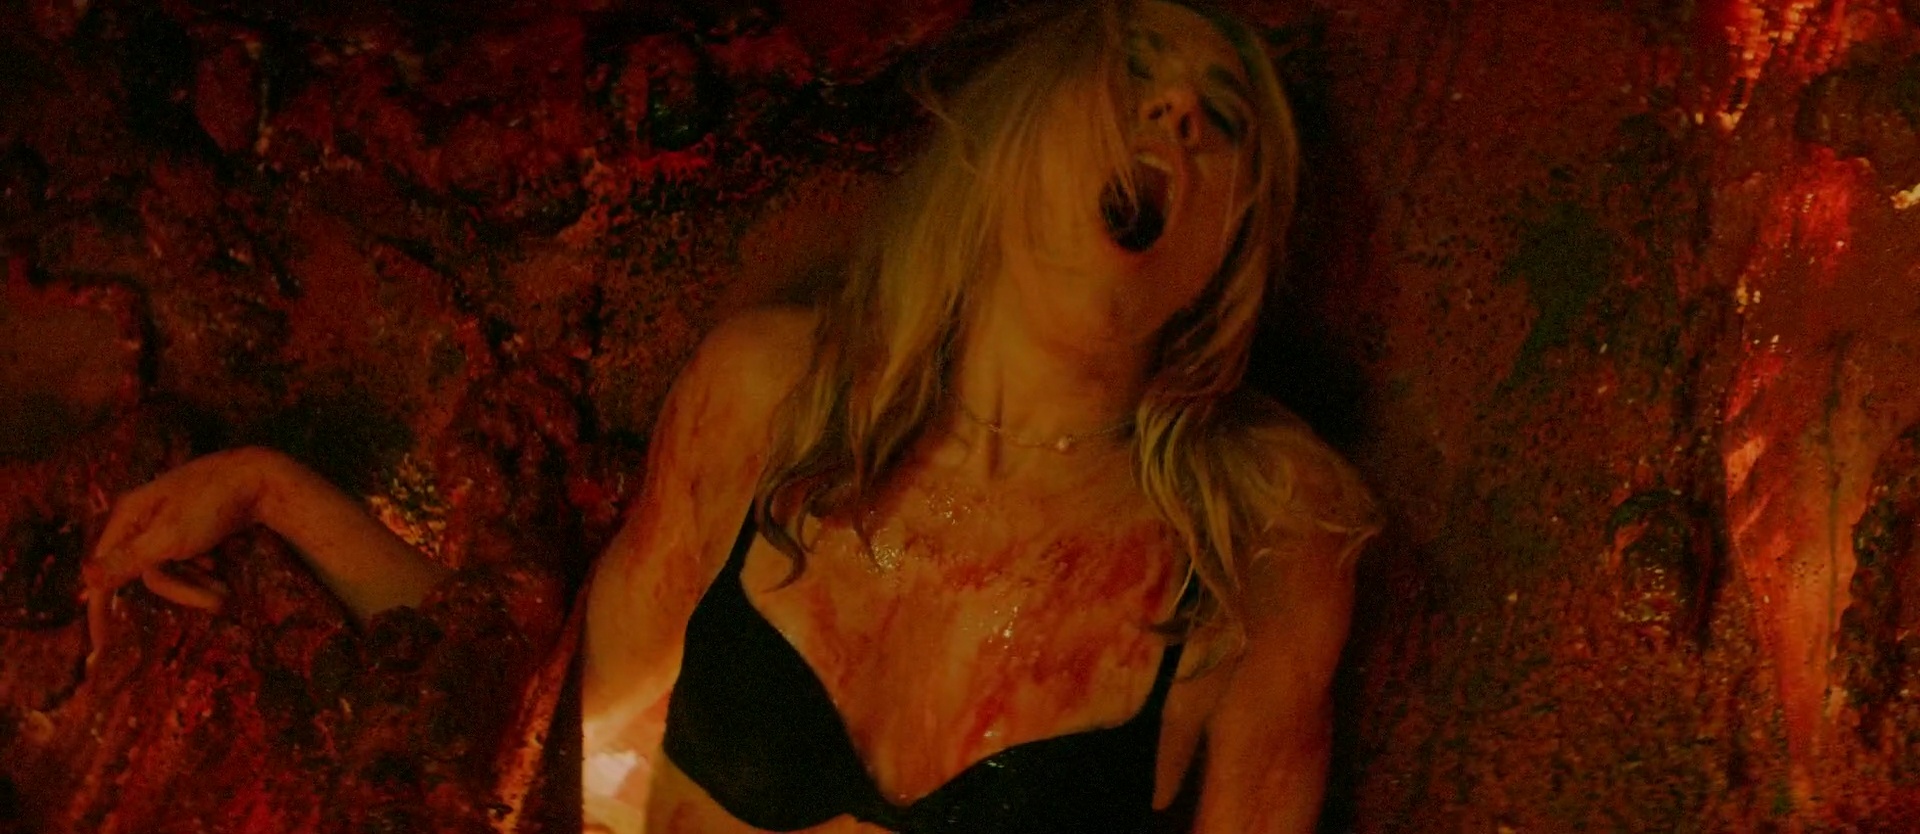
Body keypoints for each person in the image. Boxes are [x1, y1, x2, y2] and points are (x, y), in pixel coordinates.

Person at [84, 0, 1380, 831]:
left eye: (1219, 122)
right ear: (1006, 137)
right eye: (1135, 74)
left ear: (1233, 248)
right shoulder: (770, 394)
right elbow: (541, 718)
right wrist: (276, 493)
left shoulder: (1267, 532)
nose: (1174, 115)